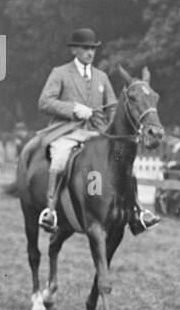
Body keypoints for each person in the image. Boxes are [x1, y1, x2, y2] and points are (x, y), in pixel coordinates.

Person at [36, 28, 160, 235]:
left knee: (123, 160)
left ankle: (137, 211)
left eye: (92, 49)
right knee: (59, 160)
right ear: (74, 50)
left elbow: (112, 108)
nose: (90, 53)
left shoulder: (101, 77)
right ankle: (50, 212)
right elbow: (45, 102)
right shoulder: (60, 74)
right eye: (85, 48)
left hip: (99, 135)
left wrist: (121, 129)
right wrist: (73, 109)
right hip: (68, 133)